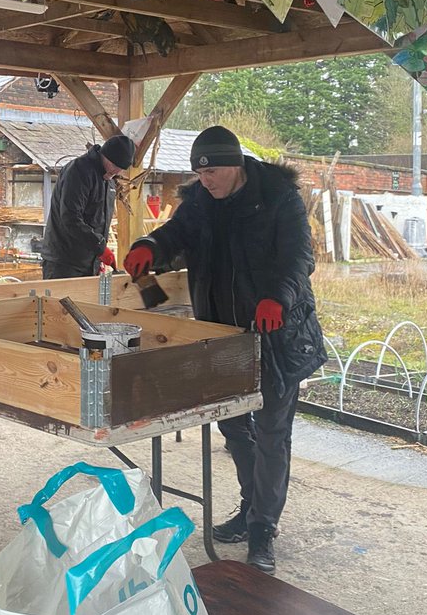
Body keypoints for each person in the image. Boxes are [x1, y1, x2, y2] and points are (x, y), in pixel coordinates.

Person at [123, 126, 325, 575]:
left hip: (274, 332)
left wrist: (278, 298)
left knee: (272, 432)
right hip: (222, 334)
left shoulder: (278, 198)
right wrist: (150, 246)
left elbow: (299, 259)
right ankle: (251, 506)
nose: (205, 180)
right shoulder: (200, 200)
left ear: (234, 165)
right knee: (233, 426)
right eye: (200, 173)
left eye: (212, 172)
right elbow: (176, 234)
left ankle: (263, 528)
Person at [40, 134, 136, 279]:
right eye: (115, 166)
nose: (117, 171)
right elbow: (70, 218)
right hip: (64, 262)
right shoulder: (78, 171)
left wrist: (97, 258)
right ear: (105, 155)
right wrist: (100, 247)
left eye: (121, 169)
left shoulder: (108, 180)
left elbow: (98, 221)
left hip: (89, 263)